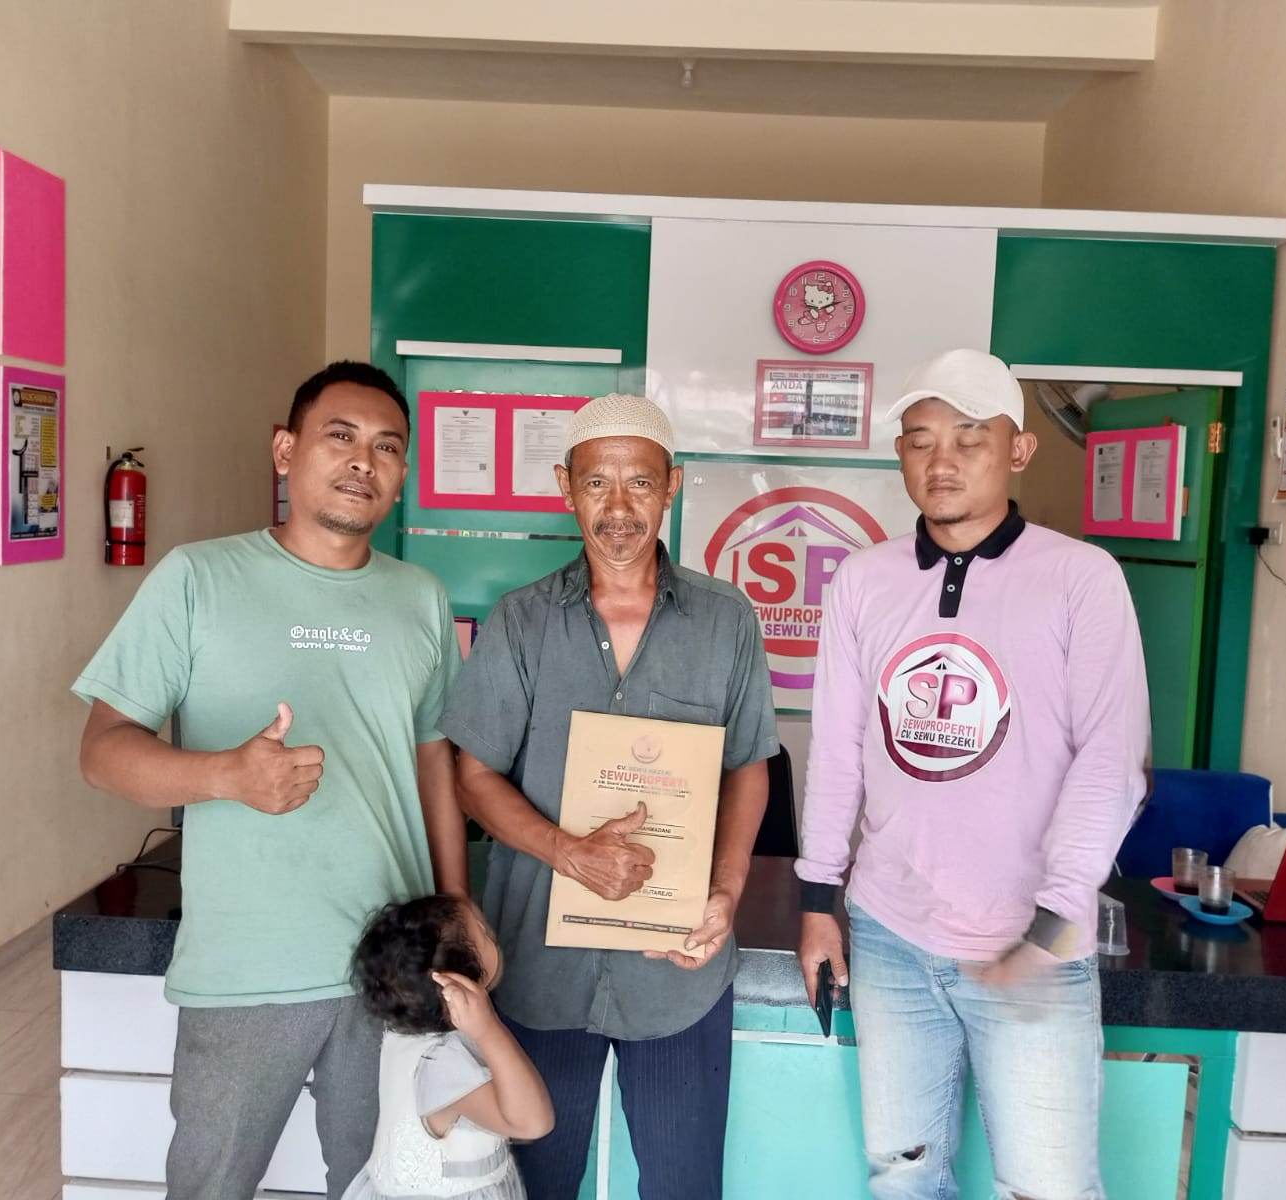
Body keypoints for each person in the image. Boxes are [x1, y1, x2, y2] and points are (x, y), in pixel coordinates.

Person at [74, 361, 468, 1200]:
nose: (363, 460)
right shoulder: (197, 578)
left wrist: (457, 913)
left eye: (387, 446)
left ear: (402, 473)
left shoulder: (422, 598)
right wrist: (226, 774)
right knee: (211, 1185)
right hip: (248, 963)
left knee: (386, 1184)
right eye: (341, 436)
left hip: (393, 960)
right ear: (285, 451)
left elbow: (434, 756)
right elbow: (102, 752)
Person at [795, 349, 1150, 1200]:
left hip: (1033, 937)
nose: (942, 461)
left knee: (1046, 1187)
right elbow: (836, 749)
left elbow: (1112, 763)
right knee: (902, 1176)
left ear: (1018, 450)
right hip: (889, 933)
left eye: (968, 437)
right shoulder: (864, 581)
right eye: (920, 440)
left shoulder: (1080, 579)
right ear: (901, 455)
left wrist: (1055, 925)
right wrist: (816, 903)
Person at [439, 393, 779, 1200]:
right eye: (597, 483)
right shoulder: (522, 622)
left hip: (678, 974)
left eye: (640, 483)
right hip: (541, 969)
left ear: (673, 486)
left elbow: (748, 767)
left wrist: (727, 892)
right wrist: (567, 852)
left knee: (683, 1188)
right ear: (565, 487)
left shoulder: (725, 620)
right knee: (533, 1185)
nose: (619, 509)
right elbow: (472, 777)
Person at [344, 894, 554, 1200]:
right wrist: (489, 1028)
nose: (492, 933)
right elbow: (533, 1123)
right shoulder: (443, 1063)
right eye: (483, 933)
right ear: (457, 986)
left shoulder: (404, 1029)